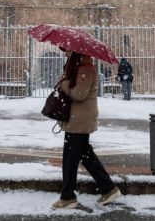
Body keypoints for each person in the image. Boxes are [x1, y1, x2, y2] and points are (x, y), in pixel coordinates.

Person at [51, 50, 122, 210]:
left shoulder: (85, 69)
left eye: (68, 51)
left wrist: (63, 82)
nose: (65, 54)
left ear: (76, 52)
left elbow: (79, 94)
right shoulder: (78, 67)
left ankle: (68, 197)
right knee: (86, 156)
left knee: (70, 159)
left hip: (80, 121)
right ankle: (108, 188)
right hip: (77, 119)